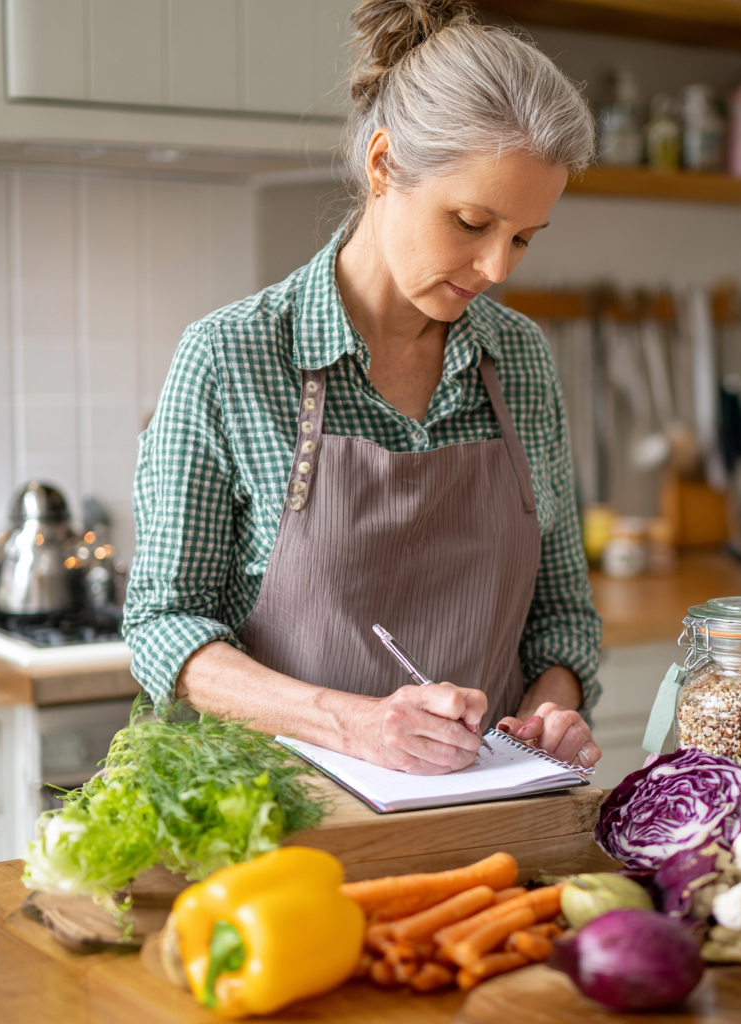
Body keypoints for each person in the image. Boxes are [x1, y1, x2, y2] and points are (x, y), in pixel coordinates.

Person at [123, 0, 603, 776]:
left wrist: (551, 713)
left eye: (522, 237)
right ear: (383, 165)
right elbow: (165, 627)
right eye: (472, 222)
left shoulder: (520, 360)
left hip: (479, 835)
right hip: (282, 833)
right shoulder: (231, 357)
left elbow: (561, 620)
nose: (498, 269)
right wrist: (352, 725)